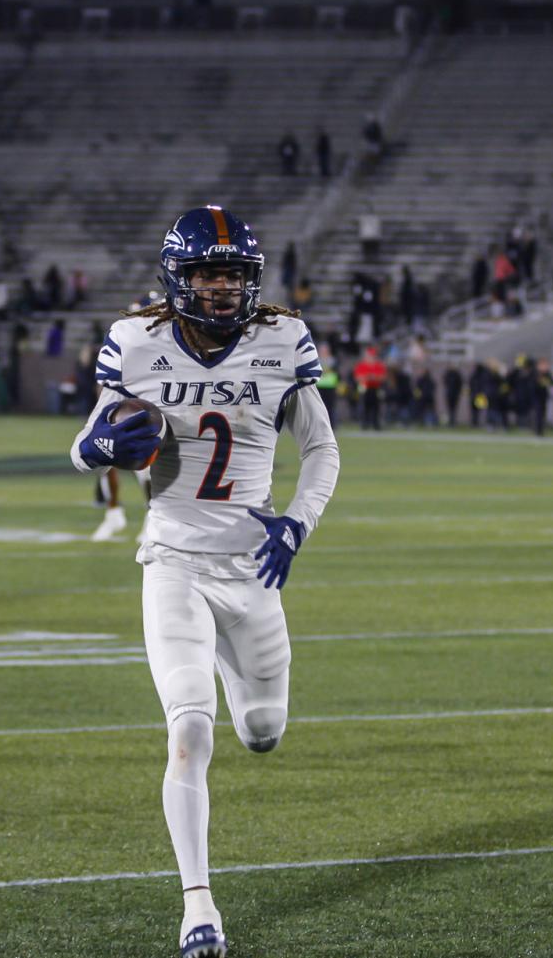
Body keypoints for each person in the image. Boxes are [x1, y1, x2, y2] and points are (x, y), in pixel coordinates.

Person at [69, 206, 339, 958]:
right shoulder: (136, 342)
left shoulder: (282, 339)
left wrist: (297, 524)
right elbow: (84, 446)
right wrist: (95, 448)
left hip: (252, 569)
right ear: (177, 277)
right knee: (189, 729)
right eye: (207, 273)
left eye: (232, 274)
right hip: (174, 561)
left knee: (261, 731)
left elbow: (321, 450)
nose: (221, 289)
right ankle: (198, 909)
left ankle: (231, 667)